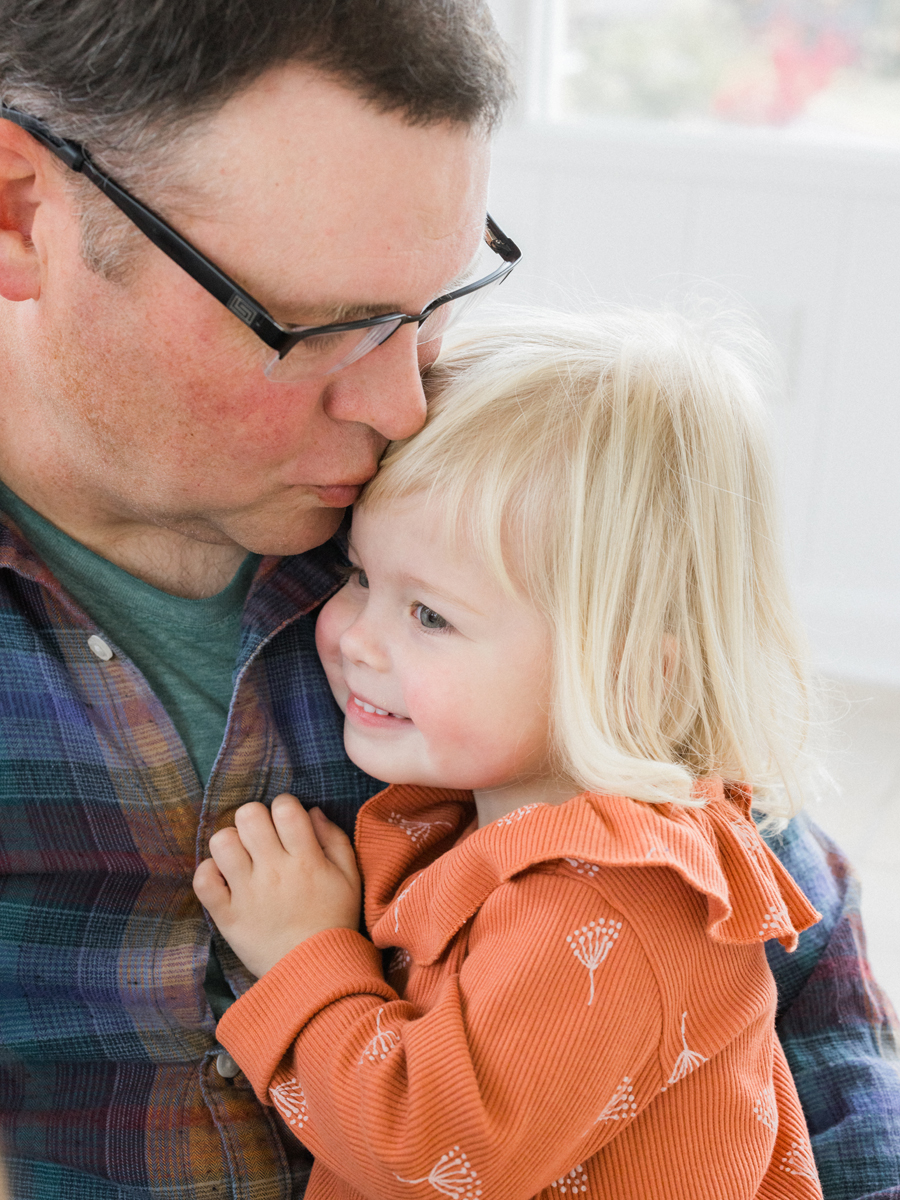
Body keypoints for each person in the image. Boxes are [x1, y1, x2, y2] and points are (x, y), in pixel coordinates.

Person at [0, 2, 897, 1198]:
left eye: (430, 306)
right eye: (321, 327)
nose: (401, 410)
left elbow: (783, 939)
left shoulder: (459, 516)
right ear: (19, 212)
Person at [196, 308, 829, 1197]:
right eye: (362, 576)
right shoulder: (516, 829)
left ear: (626, 677)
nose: (352, 638)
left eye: (430, 616)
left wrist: (305, 955)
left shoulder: (609, 900)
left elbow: (429, 1154)